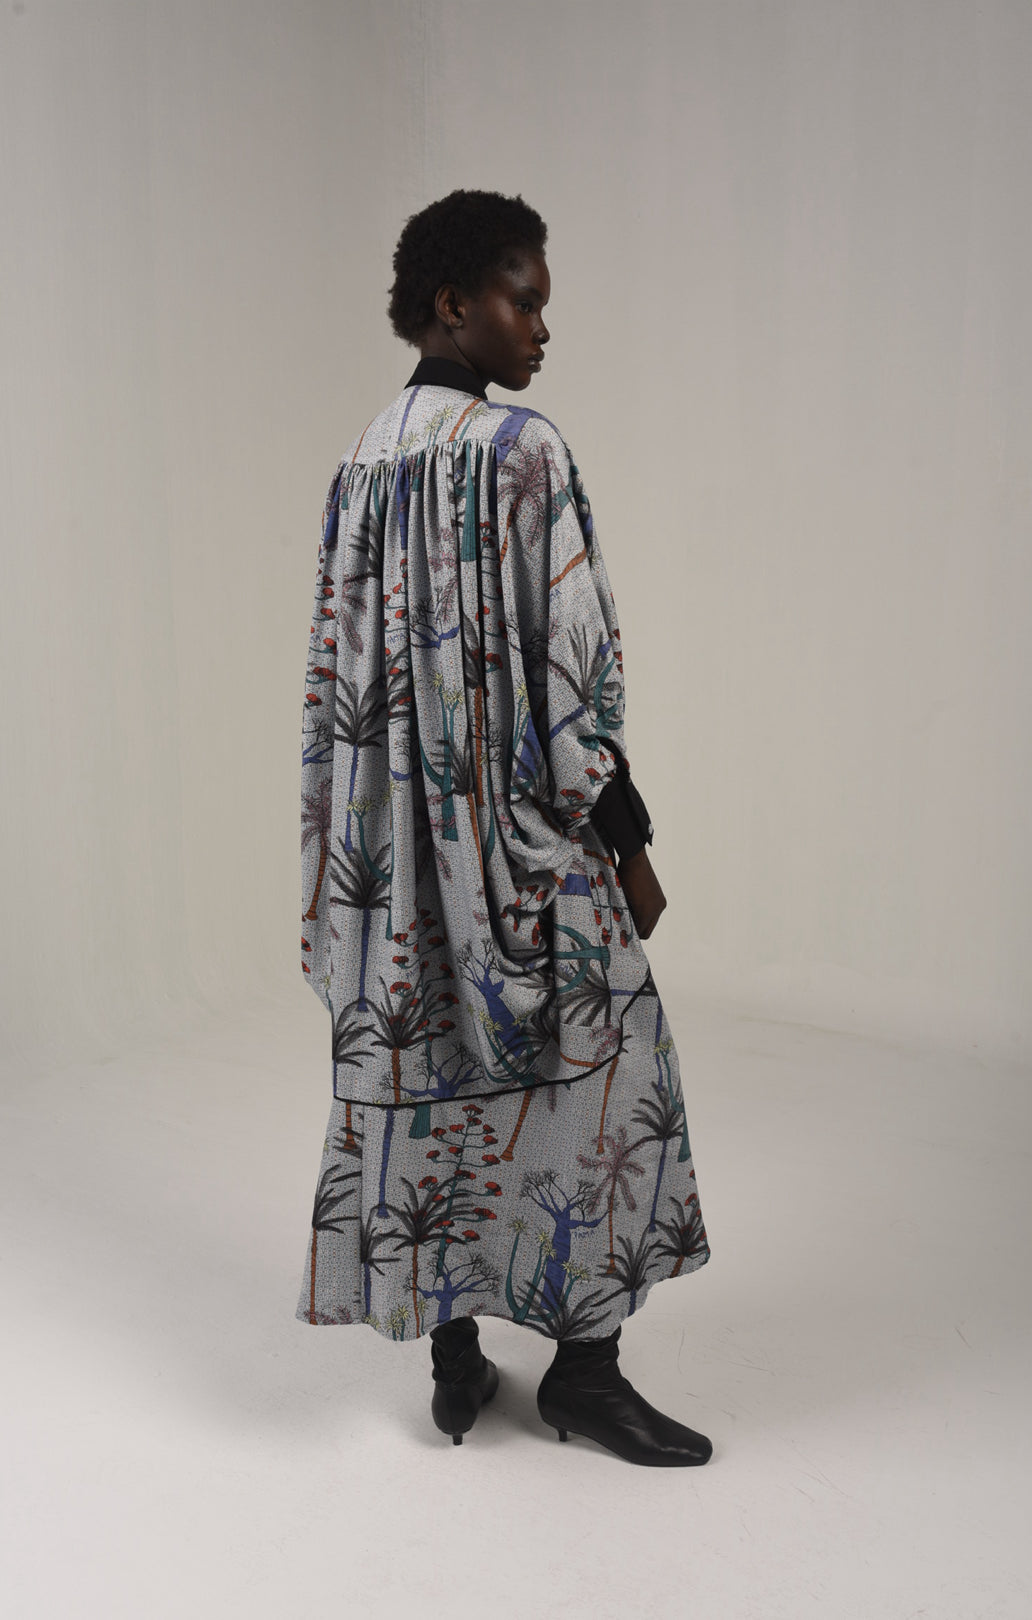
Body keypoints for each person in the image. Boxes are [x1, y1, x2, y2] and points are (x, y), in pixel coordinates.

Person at [297, 189, 713, 1466]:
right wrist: (627, 844)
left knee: (435, 1083)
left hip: (395, 865)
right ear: (452, 303)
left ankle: (457, 1359)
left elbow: (333, 687)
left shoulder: (361, 462)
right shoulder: (522, 450)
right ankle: (585, 1375)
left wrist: (351, 866)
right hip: (524, 838)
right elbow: (572, 670)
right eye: (522, 299)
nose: (540, 327)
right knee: (609, 1072)